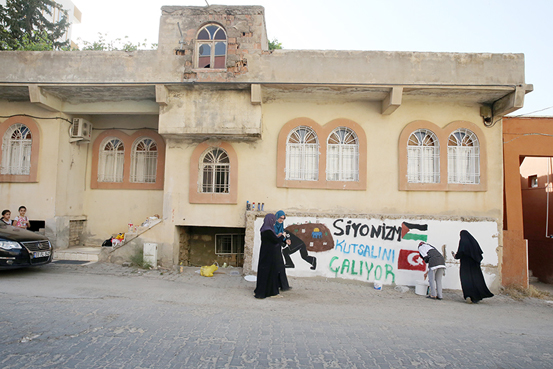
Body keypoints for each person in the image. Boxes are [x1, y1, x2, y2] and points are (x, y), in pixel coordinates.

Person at [452, 230, 494, 303]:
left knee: (466, 280)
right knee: (476, 280)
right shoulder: (473, 242)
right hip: (475, 266)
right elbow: (479, 254)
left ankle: (469, 295)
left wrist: (455, 256)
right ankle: (476, 297)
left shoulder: (463, 242)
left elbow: (460, 252)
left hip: (465, 265)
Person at [254, 214, 290, 299]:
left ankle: (266, 291)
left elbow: (271, 240)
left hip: (265, 254)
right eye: (273, 220)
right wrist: (282, 236)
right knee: (269, 273)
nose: (274, 222)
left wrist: (277, 236)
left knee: (266, 273)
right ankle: (266, 292)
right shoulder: (268, 231)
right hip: (269, 256)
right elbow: (275, 241)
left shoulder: (265, 229)